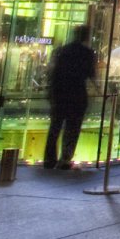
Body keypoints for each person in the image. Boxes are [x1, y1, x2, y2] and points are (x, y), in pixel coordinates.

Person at [44, 25, 97, 169]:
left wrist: (50, 92)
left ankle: (49, 159)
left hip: (59, 92)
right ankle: (65, 159)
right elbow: (91, 75)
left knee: (55, 126)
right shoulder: (87, 53)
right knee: (72, 128)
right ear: (86, 36)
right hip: (77, 93)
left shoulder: (61, 51)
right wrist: (99, 90)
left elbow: (51, 72)